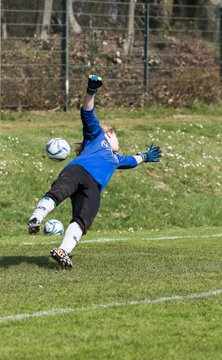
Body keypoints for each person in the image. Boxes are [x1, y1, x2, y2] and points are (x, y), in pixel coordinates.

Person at [28, 75, 161, 269]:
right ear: (108, 133)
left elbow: (132, 161)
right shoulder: (96, 135)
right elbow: (88, 112)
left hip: (93, 187)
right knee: (59, 192)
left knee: (83, 219)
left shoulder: (116, 159)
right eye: (116, 136)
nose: (118, 141)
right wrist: (91, 91)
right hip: (79, 170)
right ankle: (36, 218)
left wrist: (145, 156)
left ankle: (63, 251)